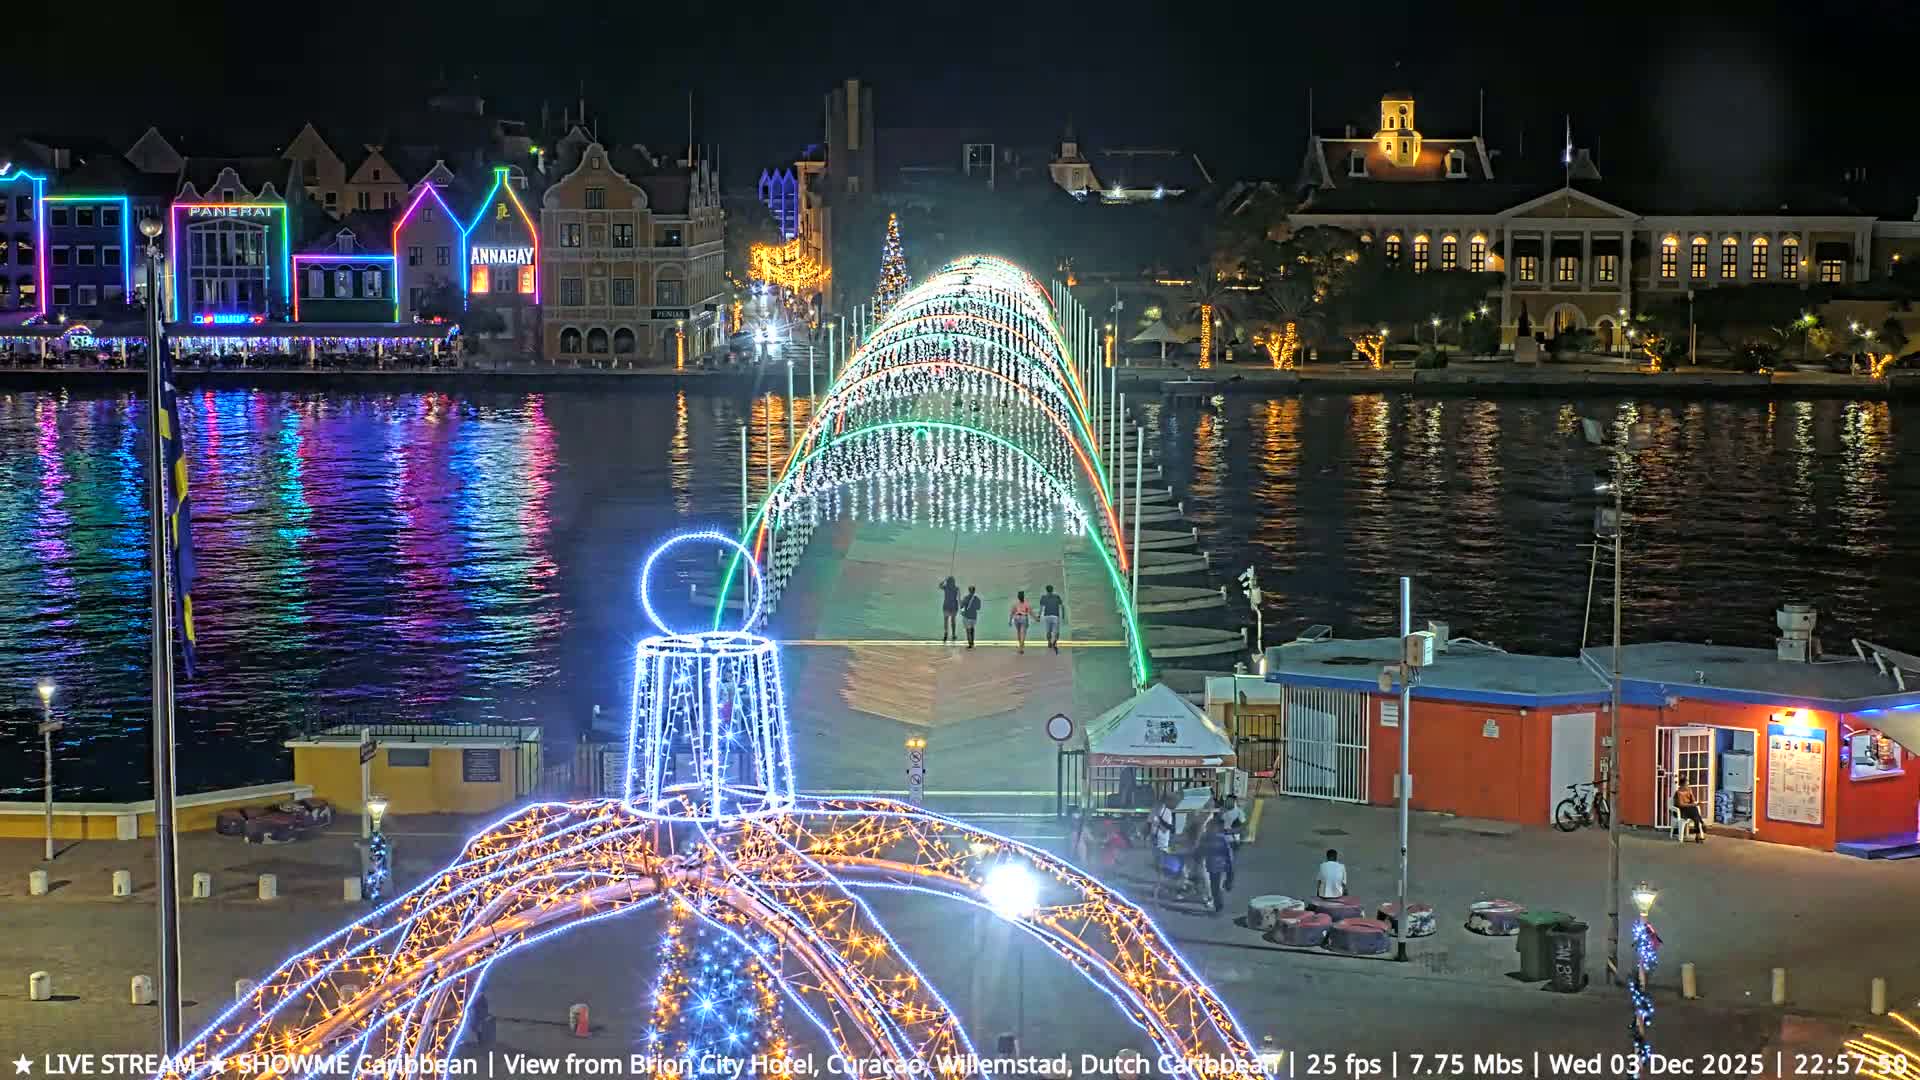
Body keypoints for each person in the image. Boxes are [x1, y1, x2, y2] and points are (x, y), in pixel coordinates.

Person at [1196, 818, 1236, 914]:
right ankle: (1218, 904)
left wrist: (1196, 858)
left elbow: (1199, 851)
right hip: (1217, 866)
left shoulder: (1209, 838)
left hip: (1216, 866)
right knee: (1216, 886)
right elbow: (1228, 855)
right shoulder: (1219, 838)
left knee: (1215, 887)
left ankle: (1218, 905)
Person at [1038, 585, 1065, 654]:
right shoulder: (1057, 596)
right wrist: (1063, 616)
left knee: (1048, 631)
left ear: (1046, 590)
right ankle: (1055, 641)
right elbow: (1062, 606)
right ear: (1052, 589)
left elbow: (1041, 608)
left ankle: (1049, 642)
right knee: (1057, 632)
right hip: (1055, 616)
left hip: (1047, 616)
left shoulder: (1043, 597)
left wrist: (1038, 616)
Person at [939, 576, 960, 643]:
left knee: (946, 621)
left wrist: (944, 579)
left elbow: (940, 585)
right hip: (954, 606)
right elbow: (958, 597)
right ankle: (953, 635)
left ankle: (946, 634)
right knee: (953, 621)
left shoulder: (946, 588)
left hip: (946, 606)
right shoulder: (956, 588)